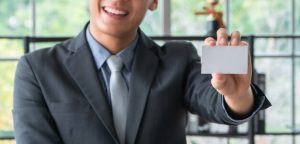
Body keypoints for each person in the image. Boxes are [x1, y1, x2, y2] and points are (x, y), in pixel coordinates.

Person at [13, 0, 271, 144]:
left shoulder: (178, 58)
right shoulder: (37, 69)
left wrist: (236, 95)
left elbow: (216, 100)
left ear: (154, 2)